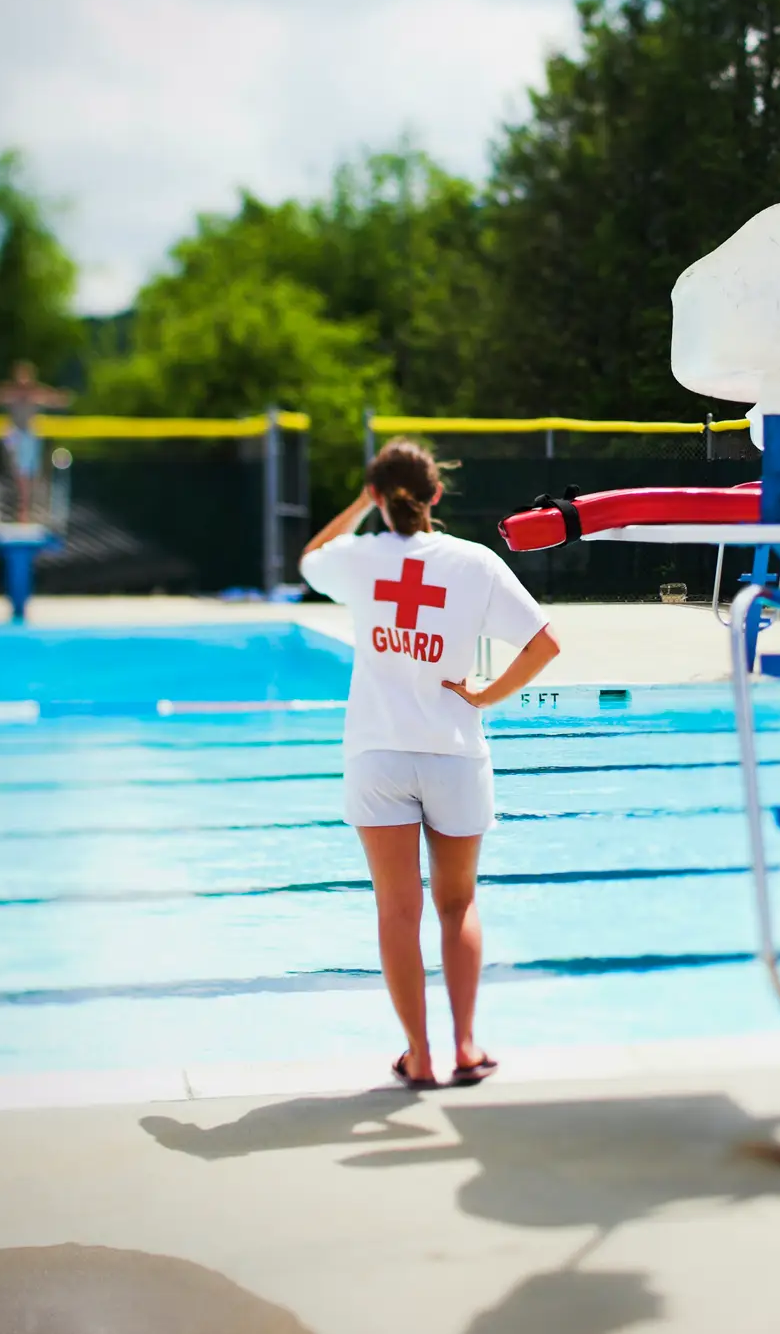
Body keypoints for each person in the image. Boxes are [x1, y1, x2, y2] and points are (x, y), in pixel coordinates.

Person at [299, 439, 561, 1090]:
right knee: (457, 902)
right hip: (454, 750)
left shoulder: (360, 557)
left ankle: (417, 1054)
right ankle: (466, 1046)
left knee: (397, 907)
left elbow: (309, 559)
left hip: (377, 754)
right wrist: (484, 695)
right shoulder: (474, 562)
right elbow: (545, 642)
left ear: (379, 498)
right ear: (437, 494)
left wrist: (361, 504)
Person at [0, 361, 73, 522]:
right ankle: (21, 509)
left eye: (26, 378)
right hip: (14, 434)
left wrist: (62, 398)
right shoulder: (10, 392)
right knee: (15, 458)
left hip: (28, 436)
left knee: (29, 474)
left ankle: (25, 510)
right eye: (20, 378)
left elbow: (56, 399)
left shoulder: (36, 393)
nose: (23, 382)